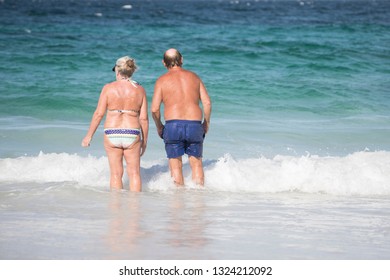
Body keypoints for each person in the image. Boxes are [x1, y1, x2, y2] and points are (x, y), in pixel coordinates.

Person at [81, 56, 148, 192]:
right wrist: (144, 141)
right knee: (134, 173)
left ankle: (116, 208)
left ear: (118, 71)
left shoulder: (108, 88)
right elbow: (144, 119)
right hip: (132, 132)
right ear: (132, 71)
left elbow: (99, 114)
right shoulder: (139, 90)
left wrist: (89, 136)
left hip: (112, 132)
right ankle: (135, 208)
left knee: (116, 174)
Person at [151, 48, 211, 186]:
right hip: (195, 124)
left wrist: (160, 126)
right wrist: (206, 123)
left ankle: (178, 203)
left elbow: (154, 109)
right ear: (182, 59)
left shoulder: (161, 80)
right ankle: (198, 202)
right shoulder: (195, 77)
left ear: (163, 63)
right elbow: (207, 103)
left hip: (173, 126)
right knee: (197, 165)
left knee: (176, 168)